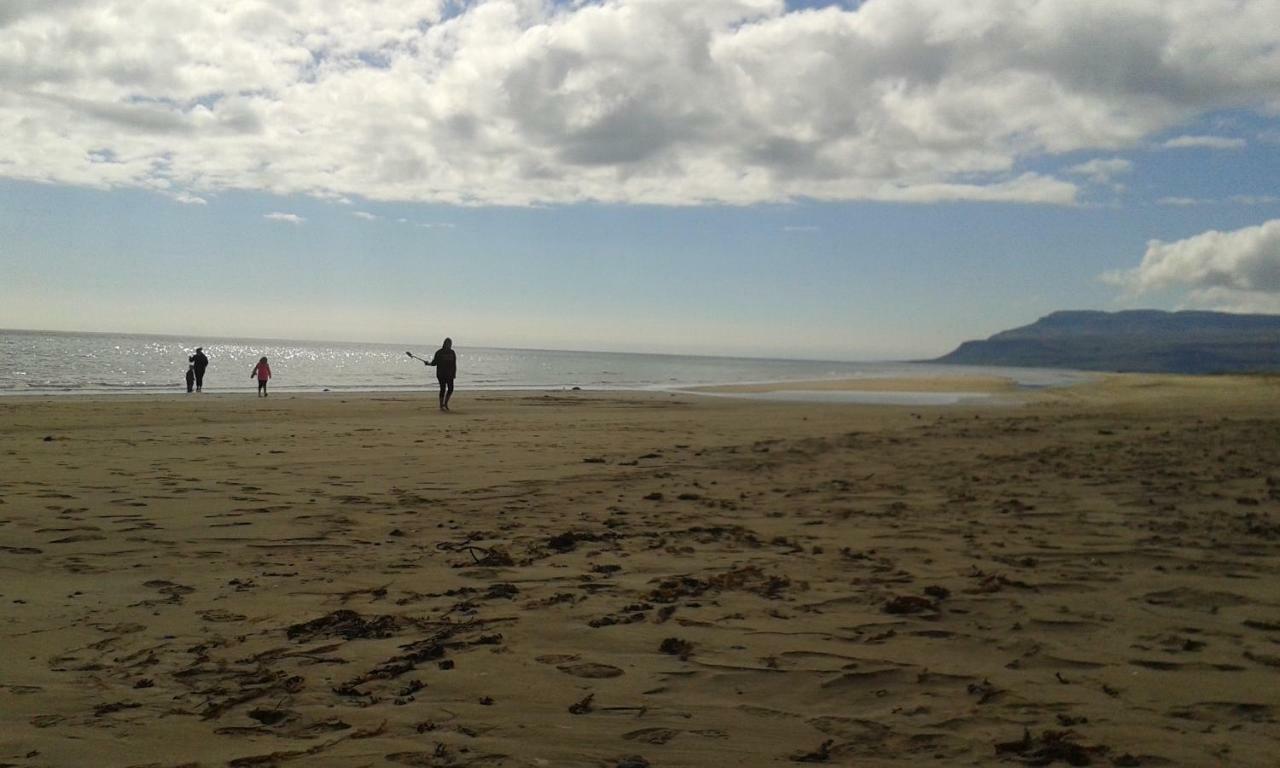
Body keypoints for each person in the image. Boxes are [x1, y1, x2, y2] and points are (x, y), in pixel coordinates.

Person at [422, 337, 457, 411]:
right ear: (444, 343)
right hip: (441, 374)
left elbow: (454, 364)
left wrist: (454, 373)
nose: (449, 345)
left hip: (450, 374)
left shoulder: (452, 352)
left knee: (451, 389)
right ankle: (441, 405)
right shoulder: (439, 352)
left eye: (450, 343)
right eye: (448, 343)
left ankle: (446, 403)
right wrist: (428, 363)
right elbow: (434, 363)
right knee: (443, 389)